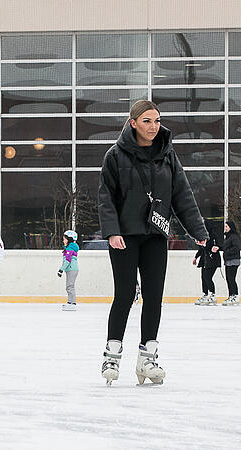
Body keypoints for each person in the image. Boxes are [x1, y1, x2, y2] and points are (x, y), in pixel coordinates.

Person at [98, 100, 208, 385]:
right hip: (124, 236)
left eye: (157, 121)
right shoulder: (115, 156)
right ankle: (112, 355)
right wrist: (112, 232)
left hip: (155, 236)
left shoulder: (167, 155)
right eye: (147, 121)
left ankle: (147, 359)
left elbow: (182, 194)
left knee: (154, 297)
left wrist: (197, 229)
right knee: (124, 295)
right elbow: (106, 197)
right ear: (133, 122)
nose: (153, 126)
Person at [193, 222, 222, 306]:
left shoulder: (213, 237)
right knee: (203, 277)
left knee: (207, 277)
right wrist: (196, 257)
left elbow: (214, 246)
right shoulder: (203, 236)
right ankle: (205, 294)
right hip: (205, 261)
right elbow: (201, 249)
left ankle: (212, 295)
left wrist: (216, 247)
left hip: (213, 260)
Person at [57, 230, 80, 311]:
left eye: (65, 239)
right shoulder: (69, 248)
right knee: (69, 286)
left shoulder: (70, 248)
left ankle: (72, 303)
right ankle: (70, 302)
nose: (63, 241)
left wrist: (61, 270)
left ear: (69, 239)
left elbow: (67, 260)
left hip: (71, 269)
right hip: (71, 269)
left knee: (70, 286)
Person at [222, 221, 240, 306]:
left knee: (231, 279)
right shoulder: (227, 237)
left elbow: (236, 248)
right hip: (228, 261)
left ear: (230, 227)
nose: (225, 228)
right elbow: (225, 247)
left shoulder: (234, 236)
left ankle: (235, 296)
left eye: (226, 226)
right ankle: (231, 295)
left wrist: (227, 252)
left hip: (234, 260)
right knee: (228, 279)